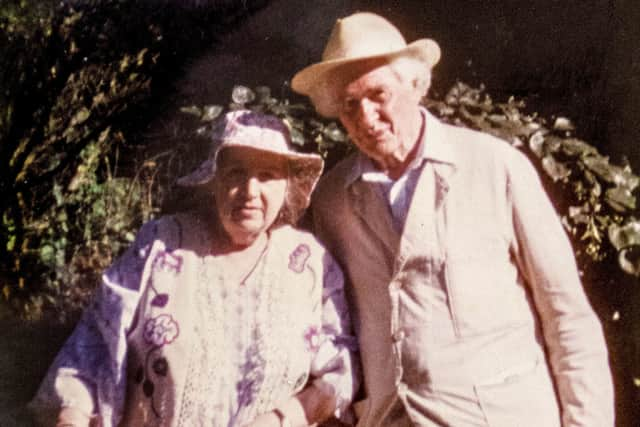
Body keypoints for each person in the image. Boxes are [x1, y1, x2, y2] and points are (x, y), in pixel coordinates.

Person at [292, 11, 614, 427]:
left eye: (378, 95)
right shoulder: (333, 198)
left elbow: (568, 317)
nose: (365, 117)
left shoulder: (494, 166)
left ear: (415, 84)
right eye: (349, 105)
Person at [30, 110, 358, 427]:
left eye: (267, 176)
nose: (250, 192)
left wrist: (282, 419)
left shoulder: (308, 262)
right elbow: (94, 345)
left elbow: (342, 369)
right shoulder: (162, 243)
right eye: (236, 173)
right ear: (213, 181)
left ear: (286, 187)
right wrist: (72, 418)